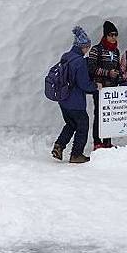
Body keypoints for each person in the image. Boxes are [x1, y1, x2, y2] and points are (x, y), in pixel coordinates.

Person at [51, 26, 99, 164]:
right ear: (83, 47)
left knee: (71, 124)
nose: (88, 49)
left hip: (63, 99)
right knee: (83, 125)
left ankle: (59, 146)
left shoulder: (66, 56)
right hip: (75, 101)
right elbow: (84, 84)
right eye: (87, 47)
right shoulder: (80, 62)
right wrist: (96, 86)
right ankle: (76, 154)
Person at [88, 20, 122, 150]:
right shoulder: (96, 49)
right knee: (99, 114)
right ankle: (97, 141)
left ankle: (108, 141)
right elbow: (91, 68)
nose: (114, 37)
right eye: (111, 34)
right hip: (100, 87)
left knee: (110, 115)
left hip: (112, 88)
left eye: (115, 35)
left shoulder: (116, 51)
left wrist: (118, 74)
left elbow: (117, 67)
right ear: (105, 35)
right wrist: (108, 73)